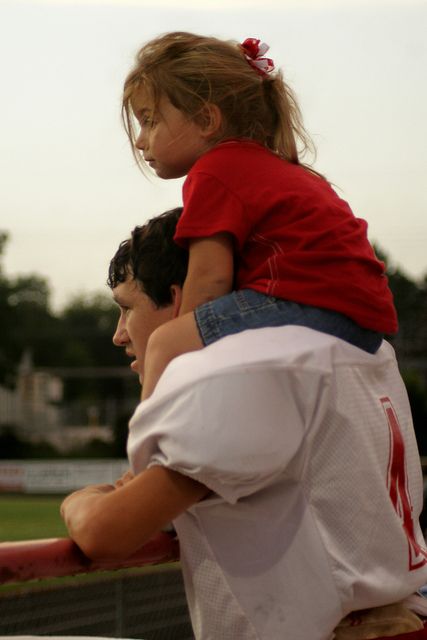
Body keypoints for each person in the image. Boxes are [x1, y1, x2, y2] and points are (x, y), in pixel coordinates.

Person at [61, 209, 427, 640]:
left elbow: (107, 533)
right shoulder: (357, 347)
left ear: (178, 299)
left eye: (127, 308)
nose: (119, 334)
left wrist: (81, 500)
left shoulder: (241, 378)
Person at [120, 31, 398, 401]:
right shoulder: (278, 168)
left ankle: (153, 448)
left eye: (150, 121)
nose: (141, 140)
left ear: (206, 119)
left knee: (164, 343)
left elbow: (208, 279)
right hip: (365, 322)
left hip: (313, 306)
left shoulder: (214, 170)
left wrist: (187, 333)